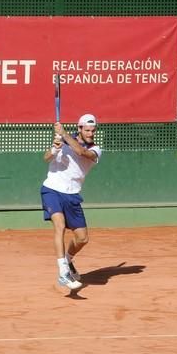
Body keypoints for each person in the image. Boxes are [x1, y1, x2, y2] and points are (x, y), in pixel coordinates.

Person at [40, 114, 102, 290]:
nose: (90, 133)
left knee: (82, 239)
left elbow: (82, 152)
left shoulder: (96, 149)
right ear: (80, 128)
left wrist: (64, 134)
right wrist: (54, 149)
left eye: (93, 130)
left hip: (72, 195)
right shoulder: (64, 138)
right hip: (52, 189)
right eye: (87, 130)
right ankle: (62, 272)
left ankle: (68, 260)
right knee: (59, 225)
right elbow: (46, 158)